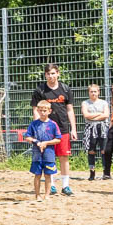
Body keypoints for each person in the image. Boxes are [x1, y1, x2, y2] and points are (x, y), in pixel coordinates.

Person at [30, 64, 77, 196]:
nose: (51, 76)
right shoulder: (40, 90)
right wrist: (37, 128)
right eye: (48, 74)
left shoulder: (65, 89)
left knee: (64, 157)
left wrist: (73, 129)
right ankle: (51, 185)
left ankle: (65, 186)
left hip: (62, 129)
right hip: (46, 130)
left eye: (53, 73)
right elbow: (35, 110)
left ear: (58, 73)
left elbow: (70, 110)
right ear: (45, 75)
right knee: (48, 158)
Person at [24, 99, 62, 201]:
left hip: (49, 153)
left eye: (44, 110)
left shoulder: (53, 124)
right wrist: (37, 142)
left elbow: (58, 139)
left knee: (48, 175)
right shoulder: (34, 124)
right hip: (37, 154)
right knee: (37, 175)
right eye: (40, 110)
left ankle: (47, 195)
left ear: (49, 111)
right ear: (37, 111)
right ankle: (37, 195)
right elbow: (27, 137)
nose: (42, 113)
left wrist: (46, 143)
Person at [81, 84, 111, 182]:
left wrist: (93, 117)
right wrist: (99, 114)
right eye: (91, 91)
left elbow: (106, 115)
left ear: (98, 92)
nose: (93, 93)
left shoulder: (104, 102)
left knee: (104, 150)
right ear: (88, 92)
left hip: (103, 128)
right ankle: (92, 173)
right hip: (90, 128)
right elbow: (86, 115)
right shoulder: (85, 103)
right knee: (91, 151)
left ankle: (106, 173)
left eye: (95, 91)